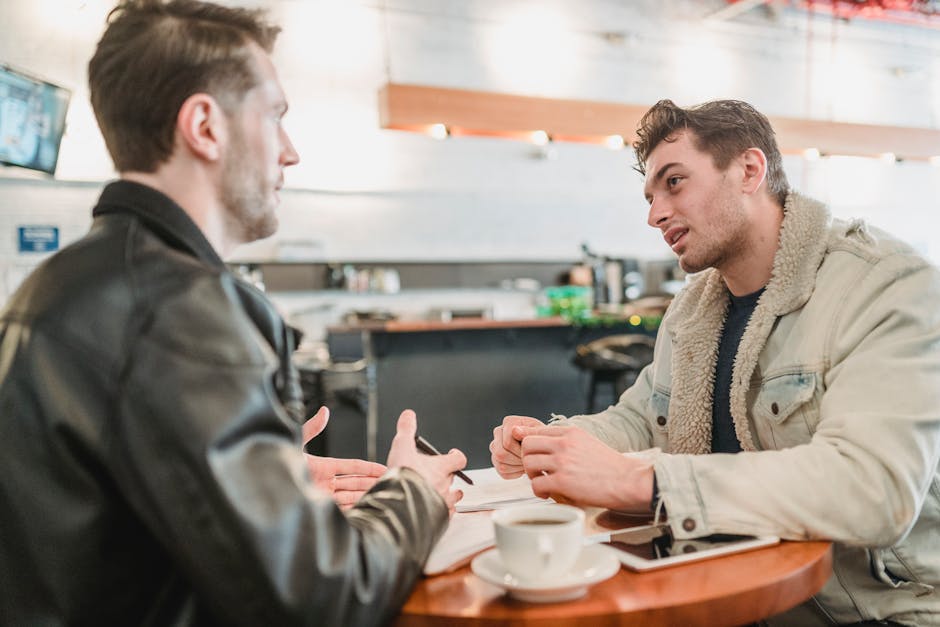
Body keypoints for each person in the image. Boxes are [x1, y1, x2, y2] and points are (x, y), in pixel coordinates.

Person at [0, 1, 467, 625]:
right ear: (205, 126)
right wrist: (413, 492)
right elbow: (321, 597)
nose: (291, 151)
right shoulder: (181, 310)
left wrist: (256, 484)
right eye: (275, 116)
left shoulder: (54, 287)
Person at [490, 99, 940, 626]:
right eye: (651, 195)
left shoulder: (885, 284)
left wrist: (649, 484)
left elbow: (874, 488)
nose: (654, 214)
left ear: (750, 170)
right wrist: (554, 445)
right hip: (733, 585)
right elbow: (642, 418)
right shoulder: (693, 308)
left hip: (871, 611)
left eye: (674, 182)